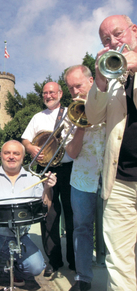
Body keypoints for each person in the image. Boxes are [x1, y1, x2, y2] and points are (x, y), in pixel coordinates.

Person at [85, 14, 137, 291]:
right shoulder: (113, 73)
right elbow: (92, 117)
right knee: (119, 260)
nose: (114, 43)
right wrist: (100, 80)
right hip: (119, 180)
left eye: (118, 35)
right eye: (106, 40)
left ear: (134, 30)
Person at [0, 140, 56, 290]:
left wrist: (47, 188)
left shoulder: (33, 179)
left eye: (16, 153)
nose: (11, 157)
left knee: (36, 267)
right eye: (7, 153)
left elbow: (45, 208)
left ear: (22, 157)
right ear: (1, 155)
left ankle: (17, 271)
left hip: (20, 237)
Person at [21, 82, 75, 276]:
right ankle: (54, 261)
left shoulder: (72, 112)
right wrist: (31, 148)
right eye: (45, 93)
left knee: (72, 214)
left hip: (69, 168)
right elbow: (26, 140)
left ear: (60, 93)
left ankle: (75, 260)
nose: (48, 95)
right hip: (45, 170)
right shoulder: (37, 117)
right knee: (49, 215)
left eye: (52, 92)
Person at [64, 65, 106, 291]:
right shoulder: (71, 112)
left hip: (112, 175)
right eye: (70, 89)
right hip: (82, 178)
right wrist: (80, 125)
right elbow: (71, 153)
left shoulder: (110, 100)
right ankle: (83, 278)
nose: (75, 92)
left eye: (78, 86)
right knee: (81, 228)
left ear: (91, 81)